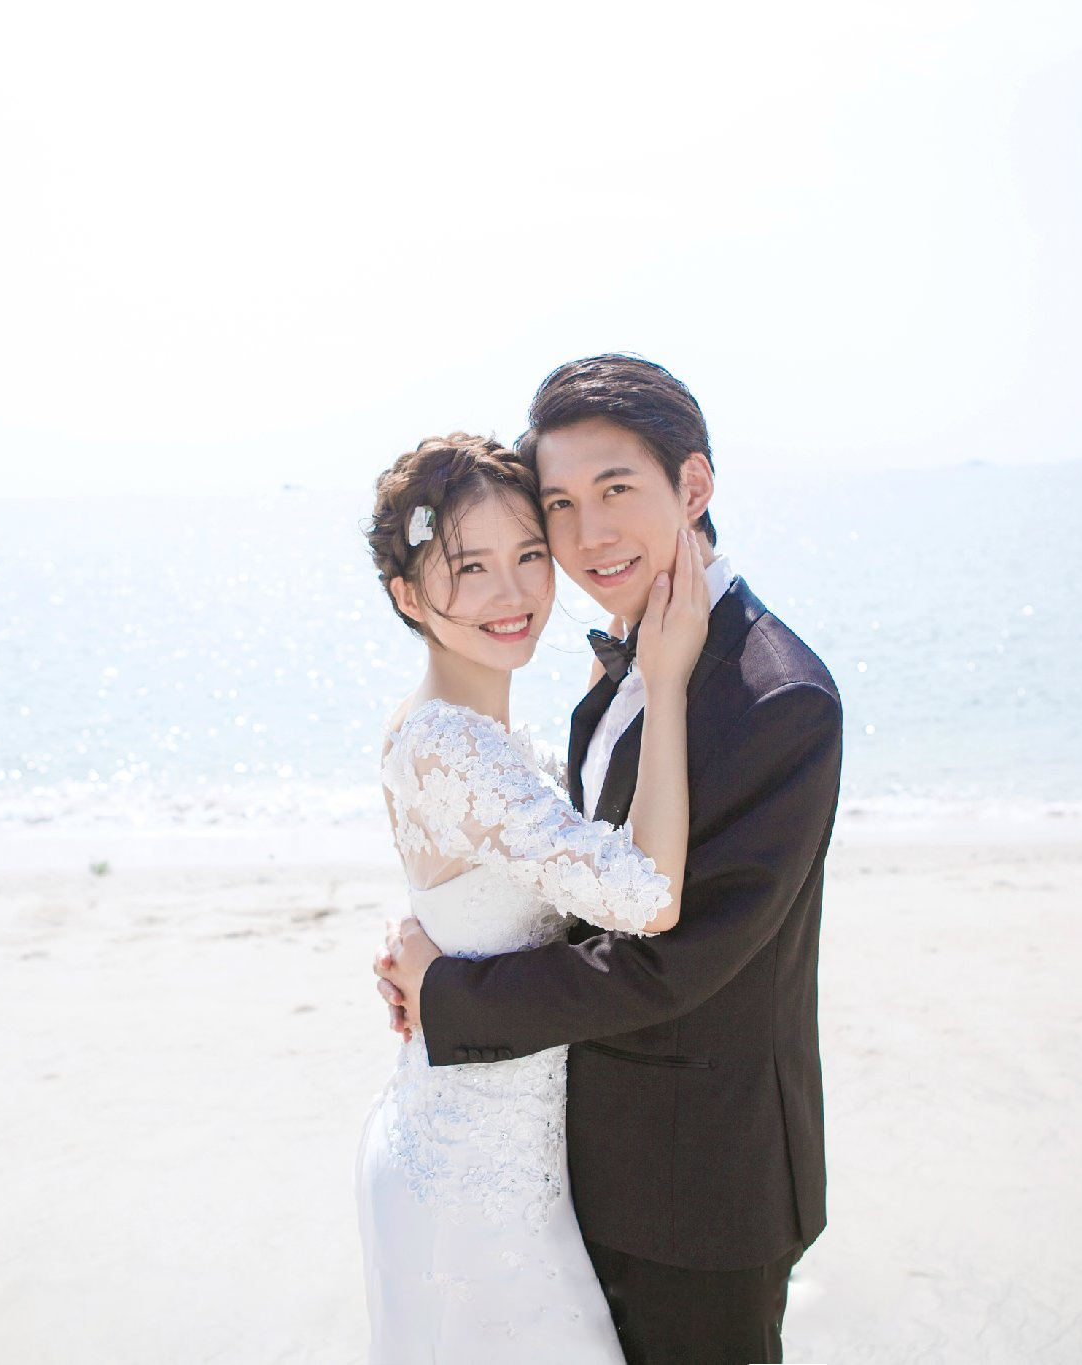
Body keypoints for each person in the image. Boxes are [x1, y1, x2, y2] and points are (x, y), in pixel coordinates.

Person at [375, 355, 845, 1365]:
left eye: (616, 489)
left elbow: (669, 960)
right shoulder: (627, 655)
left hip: (697, 1190)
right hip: (570, 1168)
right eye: (560, 505)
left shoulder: (776, 699)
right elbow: (552, 871)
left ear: (693, 485)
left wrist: (448, 992)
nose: (587, 536)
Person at [355, 431, 712, 1363]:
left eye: (527, 555)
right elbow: (647, 894)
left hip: (493, 1157)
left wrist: (418, 942)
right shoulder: (451, 743)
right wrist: (667, 680)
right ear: (407, 595)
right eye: (469, 567)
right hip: (475, 1189)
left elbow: (470, 873)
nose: (512, 593)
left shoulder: (461, 729)